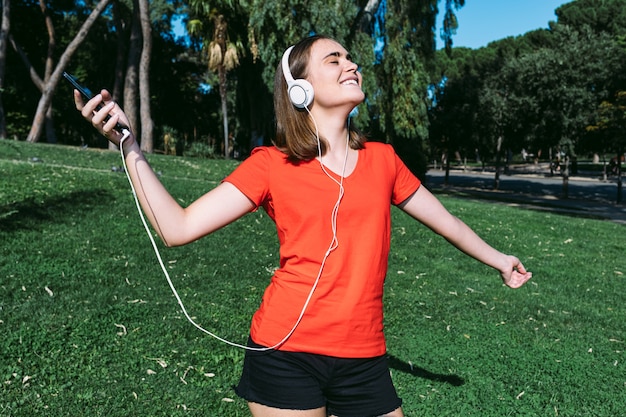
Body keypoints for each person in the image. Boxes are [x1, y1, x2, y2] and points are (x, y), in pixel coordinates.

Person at [74, 34, 532, 417]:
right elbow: (177, 228)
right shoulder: (271, 166)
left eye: (350, 58)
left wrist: (499, 260)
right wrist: (128, 145)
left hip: (364, 357)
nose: (351, 64)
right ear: (300, 89)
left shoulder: (384, 161)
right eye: (334, 59)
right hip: (285, 354)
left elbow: (446, 222)